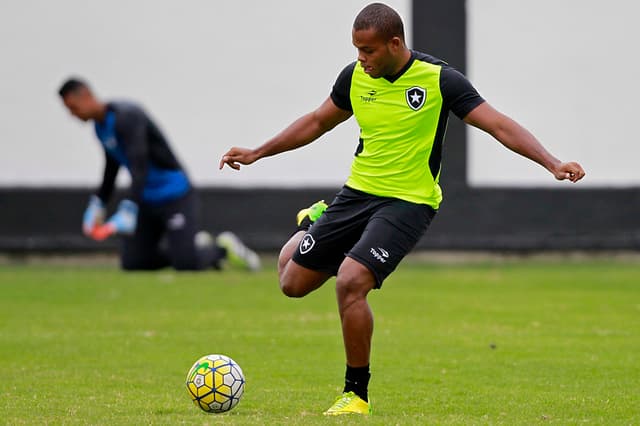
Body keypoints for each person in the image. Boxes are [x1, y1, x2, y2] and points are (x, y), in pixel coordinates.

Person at [219, 2, 585, 416]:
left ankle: (355, 394)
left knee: (350, 282)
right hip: (356, 194)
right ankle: (316, 222)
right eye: (357, 49)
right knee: (291, 283)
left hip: (408, 202)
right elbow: (318, 121)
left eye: (369, 51)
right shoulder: (355, 77)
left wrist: (552, 162)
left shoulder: (440, 80)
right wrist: (258, 152)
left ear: (395, 43)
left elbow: (499, 125)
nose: (361, 59)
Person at [59, 78, 260, 272]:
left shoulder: (127, 116)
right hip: (146, 199)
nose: (72, 114)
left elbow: (140, 164)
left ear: (86, 95)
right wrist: (99, 203)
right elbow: (112, 165)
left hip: (174, 194)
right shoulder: (100, 128)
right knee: (134, 262)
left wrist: (129, 207)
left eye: (73, 107)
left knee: (186, 264)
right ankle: (192, 247)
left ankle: (221, 249)